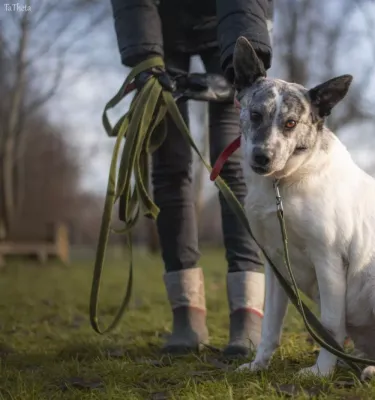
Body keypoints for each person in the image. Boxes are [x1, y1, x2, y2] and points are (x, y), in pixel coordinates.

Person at [109, 0, 273, 357]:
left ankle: (248, 314)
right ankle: (187, 314)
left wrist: (243, 63)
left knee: (232, 163)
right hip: (157, 28)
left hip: (230, 25)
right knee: (169, 164)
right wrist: (144, 58)